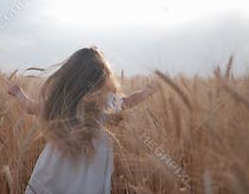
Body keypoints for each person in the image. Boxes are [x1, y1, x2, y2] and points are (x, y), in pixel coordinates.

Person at [8, 46, 157, 194]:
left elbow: (32, 108)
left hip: (57, 163)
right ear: (102, 75)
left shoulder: (61, 101)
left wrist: (18, 93)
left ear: (70, 74)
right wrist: (145, 92)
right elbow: (128, 102)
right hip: (92, 168)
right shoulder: (105, 101)